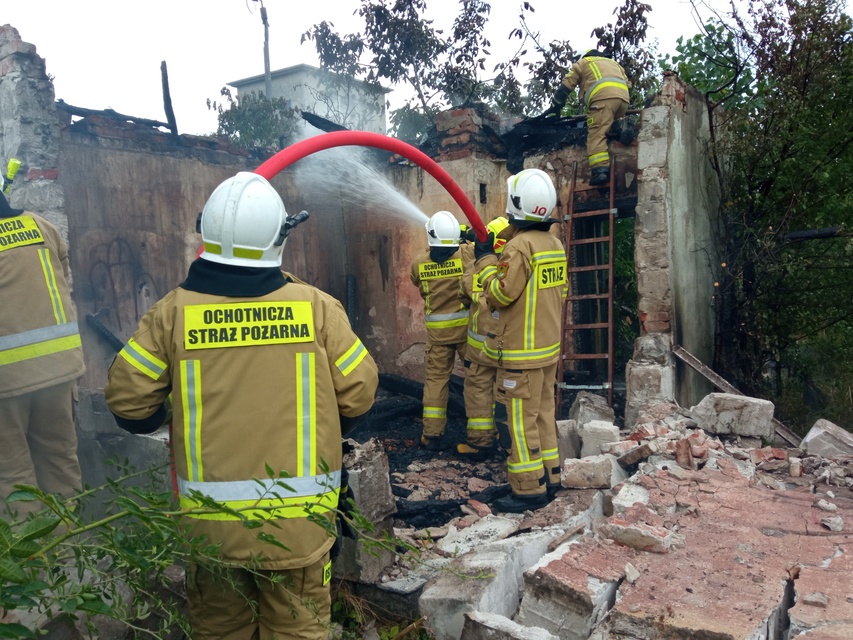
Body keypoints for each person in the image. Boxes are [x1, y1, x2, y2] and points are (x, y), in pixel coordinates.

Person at [104, 172, 379, 640]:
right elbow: (359, 394)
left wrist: (172, 409)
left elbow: (129, 406)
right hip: (300, 529)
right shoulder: (315, 308)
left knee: (220, 631)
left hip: (211, 535)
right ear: (279, 237)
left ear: (206, 234)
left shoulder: (172, 313)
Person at [473, 168, 567, 513]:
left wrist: (485, 261)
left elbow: (500, 293)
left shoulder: (518, 247)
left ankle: (528, 489)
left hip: (520, 356)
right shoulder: (553, 245)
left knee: (519, 421)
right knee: (543, 415)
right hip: (546, 353)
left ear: (516, 205)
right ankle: (551, 477)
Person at [0, 180, 84, 515]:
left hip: (7, 383)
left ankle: (35, 561)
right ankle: (68, 551)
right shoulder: (41, 227)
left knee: (13, 474)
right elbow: (64, 279)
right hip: (59, 371)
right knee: (60, 460)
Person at [410, 210, 469, 450]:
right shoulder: (466, 254)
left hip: (438, 335)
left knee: (435, 381)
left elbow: (416, 281)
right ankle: (484, 434)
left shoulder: (419, 263)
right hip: (467, 333)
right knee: (478, 381)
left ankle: (432, 435)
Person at [457, 216, 510, 460]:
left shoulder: (473, 270)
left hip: (478, 347)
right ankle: (506, 439)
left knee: (478, 391)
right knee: (505, 392)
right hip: (506, 347)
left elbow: (463, 296)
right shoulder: (512, 271)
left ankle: (480, 443)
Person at [543, 48, 630, 186]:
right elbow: (628, 83)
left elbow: (566, 86)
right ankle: (620, 126)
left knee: (596, 133)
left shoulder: (583, 63)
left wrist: (555, 105)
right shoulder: (614, 63)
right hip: (623, 101)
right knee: (608, 124)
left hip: (603, 100)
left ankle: (600, 171)